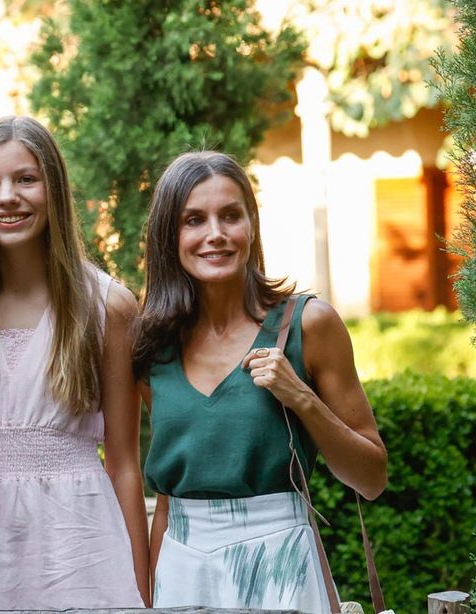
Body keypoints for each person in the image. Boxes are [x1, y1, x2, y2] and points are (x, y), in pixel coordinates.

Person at [134, 151, 388, 611]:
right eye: (194, 219)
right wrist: (152, 601)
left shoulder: (309, 325)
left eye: (230, 216)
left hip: (282, 562)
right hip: (183, 568)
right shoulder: (154, 345)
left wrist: (302, 399)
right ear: (169, 235)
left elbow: (371, 479)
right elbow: (168, 505)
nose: (216, 234)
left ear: (252, 225)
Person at [0, 115, 149, 609]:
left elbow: (124, 463)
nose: (6, 197)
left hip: (78, 545)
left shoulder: (107, 306)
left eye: (25, 179)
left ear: (53, 188)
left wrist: (142, 594)